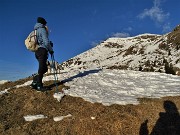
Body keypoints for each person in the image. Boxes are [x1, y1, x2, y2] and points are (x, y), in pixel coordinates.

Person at [31, 17, 54, 91]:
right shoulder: (42, 29)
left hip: (37, 51)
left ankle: (35, 82)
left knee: (44, 68)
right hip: (42, 50)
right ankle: (39, 86)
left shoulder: (35, 30)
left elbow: (40, 41)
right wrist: (51, 50)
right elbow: (46, 42)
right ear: (43, 23)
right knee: (42, 69)